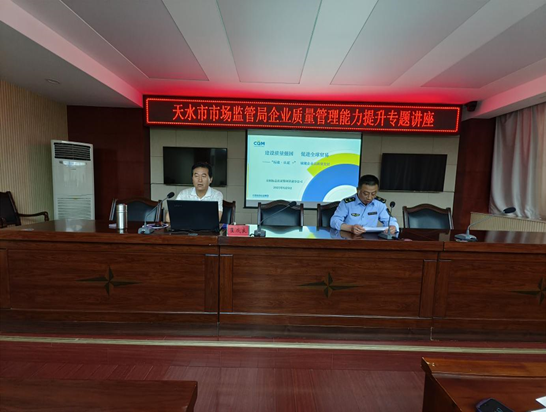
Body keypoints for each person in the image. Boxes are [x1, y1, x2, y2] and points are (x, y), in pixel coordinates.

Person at [330, 174, 398, 235]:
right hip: (349, 237)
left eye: (373, 194)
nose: (369, 197)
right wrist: (350, 228)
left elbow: (390, 220)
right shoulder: (347, 203)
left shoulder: (379, 204)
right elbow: (334, 221)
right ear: (358, 190)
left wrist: (393, 227)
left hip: (370, 239)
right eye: (366, 193)